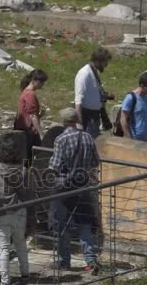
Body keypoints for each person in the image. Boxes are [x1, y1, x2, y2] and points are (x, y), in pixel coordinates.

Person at [48, 108, 101, 273]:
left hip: (64, 187)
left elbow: (54, 165)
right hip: (83, 185)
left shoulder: (61, 139)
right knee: (84, 223)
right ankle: (91, 260)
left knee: (61, 224)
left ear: (63, 122)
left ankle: (64, 261)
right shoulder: (88, 137)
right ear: (77, 119)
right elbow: (94, 162)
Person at [0, 135, 33, 285]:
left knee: (3, 247)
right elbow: (29, 193)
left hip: (1, 211)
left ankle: (4, 280)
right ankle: (25, 274)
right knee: (21, 243)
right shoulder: (24, 170)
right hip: (20, 210)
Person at [74, 47, 114, 138]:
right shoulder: (84, 74)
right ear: (98, 61)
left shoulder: (94, 72)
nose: (106, 65)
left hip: (94, 116)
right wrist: (79, 123)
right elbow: (78, 100)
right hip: (87, 117)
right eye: (105, 62)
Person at [14, 69, 48, 165]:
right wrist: (41, 133)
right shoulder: (30, 94)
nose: (42, 84)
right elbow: (32, 116)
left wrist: (39, 115)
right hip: (28, 131)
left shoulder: (25, 92)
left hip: (23, 128)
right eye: (41, 82)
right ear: (34, 80)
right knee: (30, 159)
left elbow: (28, 114)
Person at [120, 72, 147, 142]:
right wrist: (128, 139)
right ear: (142, 85)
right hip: (135, 140)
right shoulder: (131, 98)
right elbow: (123, 119)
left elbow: (146, 118)